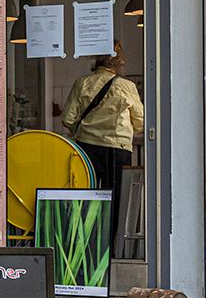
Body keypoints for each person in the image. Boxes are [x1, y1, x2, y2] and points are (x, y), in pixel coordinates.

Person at [61, 41, 144, 197]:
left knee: (87, 195)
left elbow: (67, 119)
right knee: (115, 196)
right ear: (119, 61)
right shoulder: (127, 86)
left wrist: (81, 130)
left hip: (86, 146)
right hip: (118, 148)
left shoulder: (82, 83)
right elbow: (140, 121)